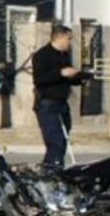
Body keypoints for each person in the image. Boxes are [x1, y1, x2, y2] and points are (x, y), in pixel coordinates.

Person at [32, 25, 84, 169]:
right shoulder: (42, 55)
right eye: (69, 39)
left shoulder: (64, 56)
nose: (70, 42)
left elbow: (68, 78)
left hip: (62, 104)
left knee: (62, 141)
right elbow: (39, 79)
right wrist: (61, 73)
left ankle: (51, 169)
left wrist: (80, 77)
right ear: (60, 37)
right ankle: (51, 171)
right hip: (47, 105)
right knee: (55, 141)